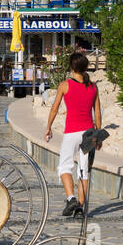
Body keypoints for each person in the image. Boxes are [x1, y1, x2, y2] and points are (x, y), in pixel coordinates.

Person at [44, 51, 101, 216]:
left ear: (71, 67)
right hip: (90, 133)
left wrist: (48, 127)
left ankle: (71, 199)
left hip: (72, 133)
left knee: (64, 166)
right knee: (83, 171)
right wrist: (98, 133)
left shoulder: (65, 85)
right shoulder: (93, 86)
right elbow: (97, 112)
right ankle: (80, 207)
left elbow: (54, 108)